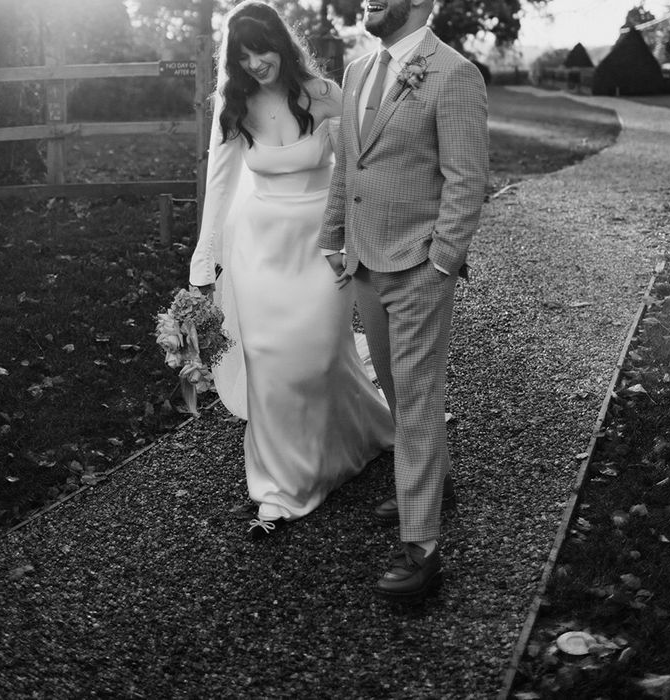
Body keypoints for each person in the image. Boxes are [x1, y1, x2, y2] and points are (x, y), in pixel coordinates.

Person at [189, 0, 394, 539]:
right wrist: (203, 262)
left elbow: (361, 166)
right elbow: (220, 182)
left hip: (322, 243)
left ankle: (356, 437)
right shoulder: (233, 104)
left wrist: (367, 232)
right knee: (269, 358)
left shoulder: (323, 95)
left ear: (282, 42)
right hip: (259, 247)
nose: (258, 63)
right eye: (245, 55)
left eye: (264, 49)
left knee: (321, 355)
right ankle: (277, 486)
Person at [319, 0, 489, 599]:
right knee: (393, 385)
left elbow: (467, 180)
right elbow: (348, 166)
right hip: (366, 260)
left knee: (417, 398)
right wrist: (335, 239)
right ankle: (433, 477)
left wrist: (441, 261)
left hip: (419, 265)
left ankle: (422, 548)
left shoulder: (454, 74)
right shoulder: (358, 70)